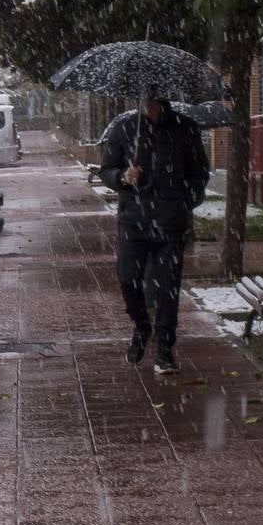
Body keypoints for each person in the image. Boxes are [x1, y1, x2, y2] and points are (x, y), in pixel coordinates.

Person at [100, 98, 210, 374]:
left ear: (161, 101)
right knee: (127, 278)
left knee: (167, 288)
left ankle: (164, 349)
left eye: (150, 100)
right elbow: (106, 171)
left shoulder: (185, 129)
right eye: (141, 101)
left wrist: (185, 201)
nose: (145, 106)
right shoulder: (124, 128)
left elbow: (200, 173)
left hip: (170, 222)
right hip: (133, 220)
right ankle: (141, 326)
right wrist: (123, 177)